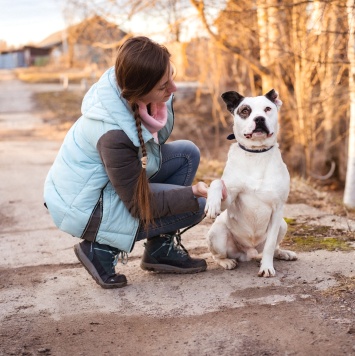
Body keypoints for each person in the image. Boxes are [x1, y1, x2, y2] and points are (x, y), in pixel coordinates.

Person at [44, 36, 209, 289]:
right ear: (139, 90)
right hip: (86, 206)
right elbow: (138, 204)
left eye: (171, 77)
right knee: (196, 205)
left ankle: (160, 249)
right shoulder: (112, 134)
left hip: (106, 186)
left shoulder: (132, 95)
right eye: (164, 85)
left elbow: (148, 151)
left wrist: (157, 99)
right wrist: (192, 193)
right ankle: (99, 249)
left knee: (186, 154)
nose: (173, 88)